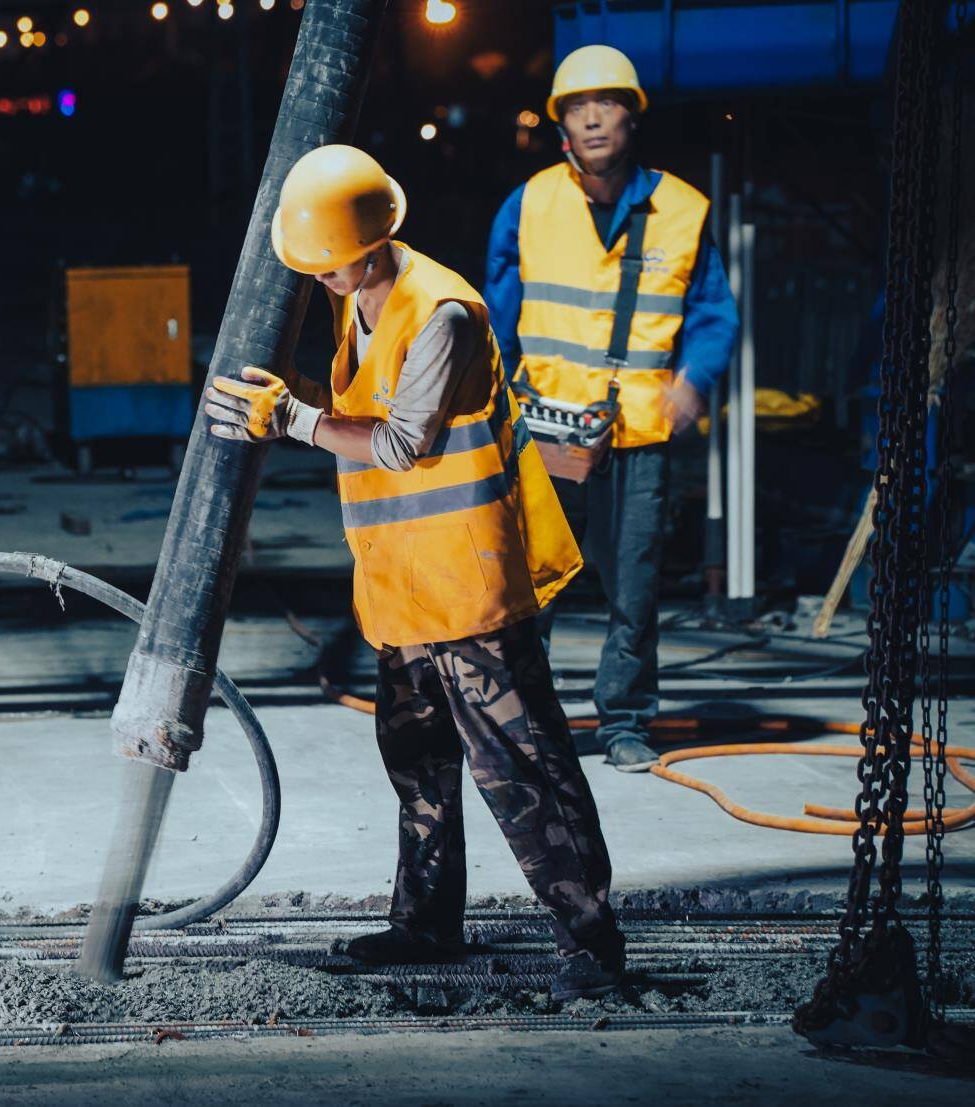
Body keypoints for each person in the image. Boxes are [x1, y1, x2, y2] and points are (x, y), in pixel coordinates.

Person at [205, 145, 628, 999]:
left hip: (469, 590)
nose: (319, 274)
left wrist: (289, 417)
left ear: (372, 235)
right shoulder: (358, 295)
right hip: (401, 588)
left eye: (329, 259)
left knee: (522, 766)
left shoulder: (443, 312)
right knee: (417, 761)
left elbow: (403, 441)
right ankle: (424, 924)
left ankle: (590, 940)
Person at [486, 44, 740, 771]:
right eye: (576, 106)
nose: (592, 117)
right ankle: (523, 720)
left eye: (607, 104)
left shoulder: (682, 210)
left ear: (632, 117)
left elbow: (712, 312)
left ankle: (623, 720)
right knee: (535, 580)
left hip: (636, 431)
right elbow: (495, 317)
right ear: (561, 123)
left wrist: (693, 377)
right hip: (546, 429)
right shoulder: (529, 204)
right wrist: (491, 403)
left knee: (634, 581)